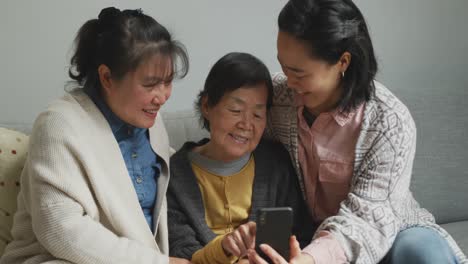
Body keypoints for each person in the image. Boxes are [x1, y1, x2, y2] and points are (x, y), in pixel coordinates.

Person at [247, 0, 467, 263]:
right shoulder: (278, 99)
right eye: (283, 66)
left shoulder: (388, 124)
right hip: (308, 237)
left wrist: (311, 259)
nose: (288, 81)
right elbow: (227, 124)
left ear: (343, 62)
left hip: (387, 233)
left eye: (299, 73)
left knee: (421, 253)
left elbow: (369, 220)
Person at [0, 7, 191, 264]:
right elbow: (62, 232)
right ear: (107, 77)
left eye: (167, 82)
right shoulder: (58, 124)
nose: (162, 96)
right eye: (150, 84)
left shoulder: (151, 122)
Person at [167, 52, 313, 264]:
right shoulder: (174, 176)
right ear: (206, 106)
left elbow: (301, 236)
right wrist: (225, 248)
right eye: (235, 110)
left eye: (257, 114)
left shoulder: (276, 166)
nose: (246, 124)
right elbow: (181, 253)